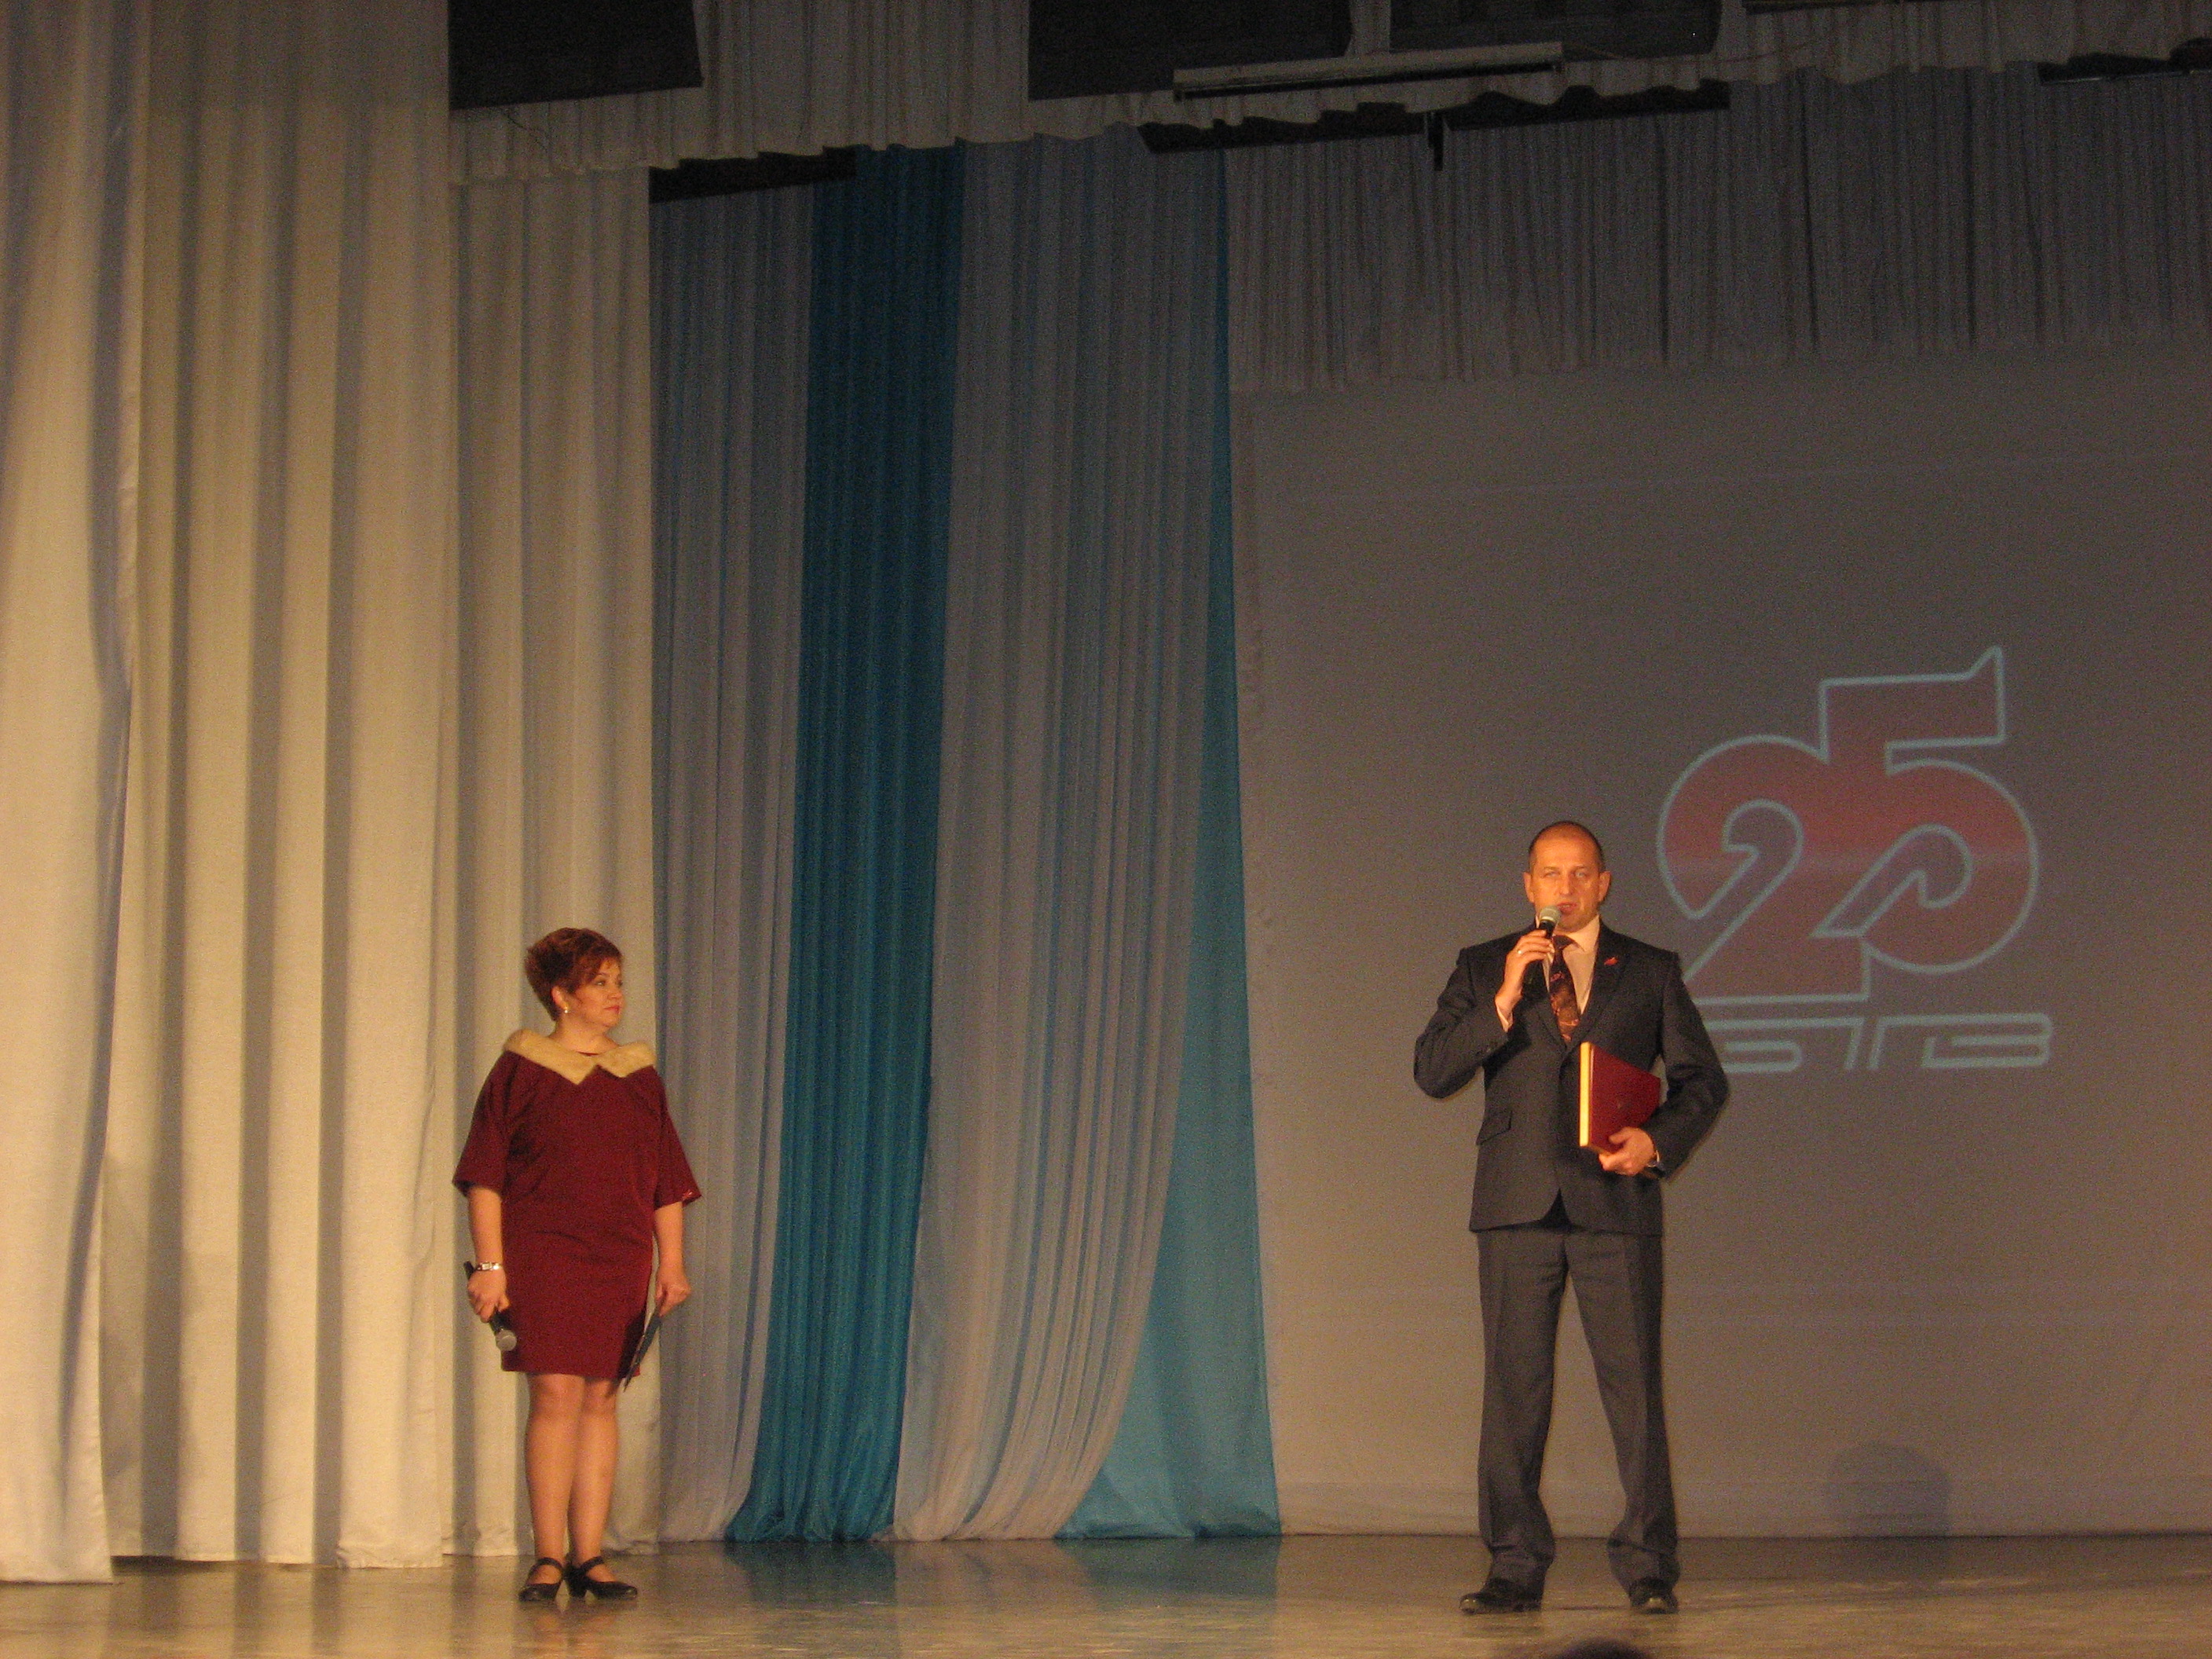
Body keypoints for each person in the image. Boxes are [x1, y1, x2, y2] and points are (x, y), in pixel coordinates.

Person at [1415, 822, 1727, 1617]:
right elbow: (1432, 1070)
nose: (1565, 888)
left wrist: (1656, 1141)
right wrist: (1499, 1002)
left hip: (1612, 1202)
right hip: (1515, 1203)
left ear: (1603, 883)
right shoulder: (1485, 964)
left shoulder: (1649, 969)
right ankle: (1513, 1566)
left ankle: (1648, 1566)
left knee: (1634, 1392)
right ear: (1528, 885)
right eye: (1550, 874)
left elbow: (1702, 1080)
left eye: (1580, 874)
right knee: (1512, 1392)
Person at [455, 928, 701, 1603]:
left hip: (618, 1254)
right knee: (556, 1394)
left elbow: (667, 1182)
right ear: (562, 995)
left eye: (618, 981)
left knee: (602, 1397)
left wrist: (673, 1264)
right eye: (599, 982)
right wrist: (491, 1265)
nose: (615, 994)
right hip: (544, 1250)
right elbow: (485, 1178)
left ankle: (590, 1556)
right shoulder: (521, 1070)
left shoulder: (638, 1077)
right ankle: (548, 1555)